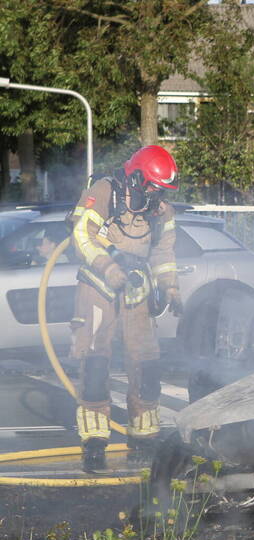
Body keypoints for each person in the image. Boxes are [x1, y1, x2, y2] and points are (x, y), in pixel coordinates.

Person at [69, 145, 182, 472]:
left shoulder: (161, 211)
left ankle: (144, 437)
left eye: (162, 191)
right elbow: (82, 234)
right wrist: (109, 267)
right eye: (153, 188)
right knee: (94, 362)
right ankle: (94, 440)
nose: (157, 197)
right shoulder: (104, 192)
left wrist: (170, 285)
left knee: (146, 362)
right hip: (97, 287)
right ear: (135, 177)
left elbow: (163, 251)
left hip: (135, 287)